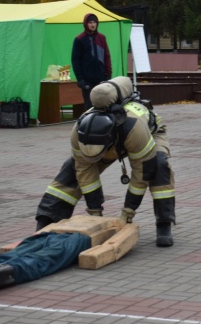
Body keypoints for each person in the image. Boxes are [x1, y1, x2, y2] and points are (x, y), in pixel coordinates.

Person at [35, 76, 177, 247]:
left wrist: (128, 212)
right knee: (70, 170)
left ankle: (164, 223)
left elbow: (141, 174)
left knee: (159, 166)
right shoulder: (78, 132)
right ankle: (47, 219)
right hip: (107, 143)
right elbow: (85, 172)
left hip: (149, 135)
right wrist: (95, 213)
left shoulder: (134, 129)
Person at [71, 13, 112, 110]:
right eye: (90, 22)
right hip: (87, 80)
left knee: (104, 105)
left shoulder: (102, 38)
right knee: (89, 107)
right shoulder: (79, 39)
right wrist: (80, 79)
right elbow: (75, 60)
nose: (93, 25)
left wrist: (108, 74)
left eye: (94, 22)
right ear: (85, 24)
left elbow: (107, 56)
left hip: (101, 78)